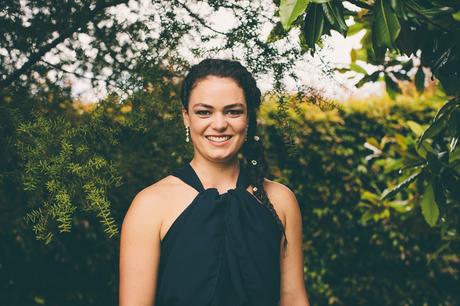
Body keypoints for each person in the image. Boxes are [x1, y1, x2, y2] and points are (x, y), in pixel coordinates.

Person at [119, 58, 310, 306]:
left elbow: (294, 299)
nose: (219, 124)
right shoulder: (149, 205)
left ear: (249, 118)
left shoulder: (281, 200)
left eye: (233, 111)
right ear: (186, 118)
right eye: (204, 112)